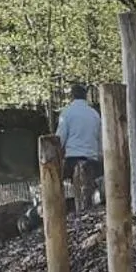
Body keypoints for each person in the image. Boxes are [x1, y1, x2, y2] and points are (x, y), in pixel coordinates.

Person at [55, 83, 102, 213]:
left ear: (72, 96)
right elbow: (100, 137)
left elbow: (59, 139)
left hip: (73, 159)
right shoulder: (94, 114)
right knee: (88, 191)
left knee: (58, 182)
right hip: (92, 159)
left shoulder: (67, 113)